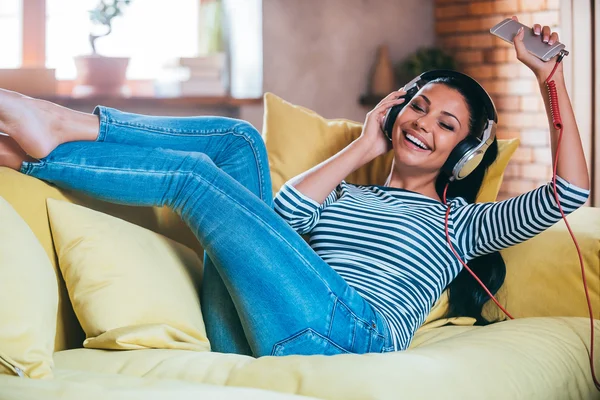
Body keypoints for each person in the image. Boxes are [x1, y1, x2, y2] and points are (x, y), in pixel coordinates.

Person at [0, 18, 590, 357]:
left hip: (347, 334)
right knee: (237, 143)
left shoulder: (461, 223)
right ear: (394, 112)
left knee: (198, 179)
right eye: (417, 107)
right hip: (252, 325)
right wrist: (363, 146)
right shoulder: (348, 190)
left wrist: (551, 80)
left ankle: (47, 137)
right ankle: (47, 135)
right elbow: (271, 221)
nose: (421, 124)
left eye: (446, 125)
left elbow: (570, 194)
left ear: (463, 154)